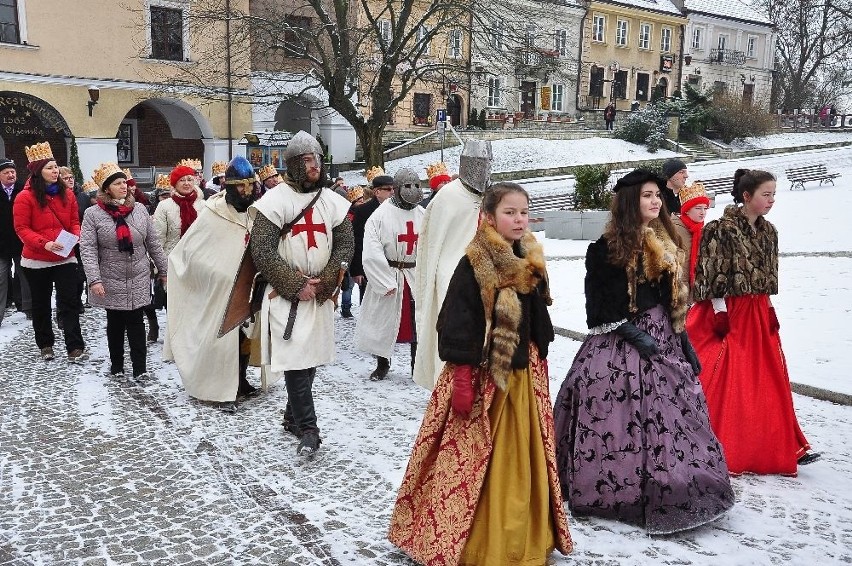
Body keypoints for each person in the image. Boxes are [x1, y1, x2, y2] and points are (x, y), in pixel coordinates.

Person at [389, 182, 573, 565]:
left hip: (525, 377)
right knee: (476, 460)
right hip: (486, 378)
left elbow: (538, 312)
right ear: (488, 217)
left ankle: (527, 533)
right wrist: (460, 376)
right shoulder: (476, 260)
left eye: (523, 211)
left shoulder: (530, 254)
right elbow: (456, 321)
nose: (519, 219)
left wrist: (542, 346)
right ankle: (474, 540)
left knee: (524, 455)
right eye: (510, 212)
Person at [552, 168, 734, 535]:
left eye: (656, 195)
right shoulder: (606, 248)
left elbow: (673, 300)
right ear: (629, 202)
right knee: (618, 419)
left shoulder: (667, 243)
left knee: (675, 416)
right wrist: (634, 335)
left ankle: (676, 481)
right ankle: (618, 491)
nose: (654, 201)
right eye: (646, 195)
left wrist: (682, 339)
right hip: (620, 342)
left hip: (664, 339)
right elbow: (598, 307)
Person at [686, 168, 820, 474]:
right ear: (746, 197)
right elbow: (709, 274)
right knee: (726, 374)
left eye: (774, 194)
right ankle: (711, 440)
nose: (772, 200)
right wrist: (719, 311)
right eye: (766, 194)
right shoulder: (719, 229)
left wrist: (768, 307)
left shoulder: (769, 231)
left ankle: (778, 443)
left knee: (767, 377)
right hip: (727, 310)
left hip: (757, 311)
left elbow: (765, 275)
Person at [249, 130, 353, 457]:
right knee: (295, 359)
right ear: (294, 164)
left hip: (319, 291)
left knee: (310, 362)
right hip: (286, 294)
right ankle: (309, 428)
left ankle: (292, 416)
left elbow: (345, 245)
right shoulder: (274, 201)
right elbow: (262, 250)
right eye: (308, 160)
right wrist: (295, 284)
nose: (315, 166)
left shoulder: (333, 201)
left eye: (317, 159)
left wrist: (323, 283)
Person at [165, 156, 262, 411]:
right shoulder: (211, 214)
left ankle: (240, 381)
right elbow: (189, 253)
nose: (246, 191)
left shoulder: (256, 213)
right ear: (229, 187)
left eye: (250, 184)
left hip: (249, 286)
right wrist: (217, 271)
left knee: (245, 337)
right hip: (219, 290)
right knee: (220, 340)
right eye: (241, 186)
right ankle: (219, 390)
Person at [412, 139, 492, 390]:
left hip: (488, 280)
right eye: (478, 163)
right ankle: (446, 387)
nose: (483, 169)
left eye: (487, 163)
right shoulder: (447, 196)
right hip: (451, 279)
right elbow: (432, 247)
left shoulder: (493, 197)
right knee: (453, 338)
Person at [80, 163, 168, 381]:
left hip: (138, 273)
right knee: (116, 323)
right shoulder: (93, 214)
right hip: (110, 274)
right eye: (117, 183)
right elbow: (88, 248)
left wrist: (163, 270)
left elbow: (153, 243)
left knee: (137, 322)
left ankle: (140, 368)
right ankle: (117, 365)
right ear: (106, 188)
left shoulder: (139, 209)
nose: (124, 187)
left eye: (125, 183)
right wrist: (94, 279)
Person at [12, 142, 88, 362]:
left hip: (65, 257)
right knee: (41, 303)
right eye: (49, 168)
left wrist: (75, 236)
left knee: (70, 301)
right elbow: (21, 229)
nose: (55, 171)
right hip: (36, 260)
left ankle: (75, 346)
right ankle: (45, 344)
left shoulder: (69, 195)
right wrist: (44, 243)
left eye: (56, 167)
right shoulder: (24, 197)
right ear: (38, 171)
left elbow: (74, 221)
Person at [354, 168, 425, 380]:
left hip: (414, 274)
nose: (412, 191)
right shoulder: (380, 215)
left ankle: (416, 365)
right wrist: (383, 281)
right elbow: (372, 250)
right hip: (390, 272)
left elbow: (430, 246)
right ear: (397, 189)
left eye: (416, 186)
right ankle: (382, 364)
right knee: (382, 322)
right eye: (408, 187)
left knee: (417, 323)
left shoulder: (422, 214)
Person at [349, 167, 394, 303]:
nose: (392, 192)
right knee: (370, 303)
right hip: (370, 266)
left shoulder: (397, 209)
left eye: (394, 189)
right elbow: (357, 240)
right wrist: (357, 270)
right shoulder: (363, 211)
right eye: (388, 189)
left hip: (391, 265)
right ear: (377, 191)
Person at [153, 163, 205, 258]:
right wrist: (160, 265)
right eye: (182, 180)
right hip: (173, 259)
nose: (186, 183)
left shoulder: (203, 205)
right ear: (175, 184)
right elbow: (158, 237)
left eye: (189, 180)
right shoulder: (164, 206)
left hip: (198, 258)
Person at [671, 181, 710, 302]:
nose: (703, 212)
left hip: (696, 289)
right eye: (698, 208)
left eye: (705, 208)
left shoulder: (701, 230)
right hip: (678, 289)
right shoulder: (675, 229)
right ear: (686, 210)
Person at [1, 157, 28, 324]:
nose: (11, 175)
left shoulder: (23, 190)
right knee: (1, 278)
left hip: (21, 242)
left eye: (13, 172)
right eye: (6, 172)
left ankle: (30, 308)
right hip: (1, 244)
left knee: (26, 276)